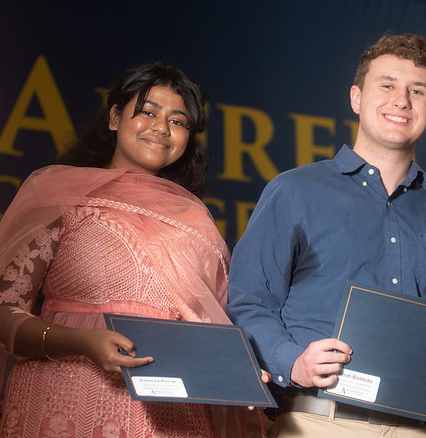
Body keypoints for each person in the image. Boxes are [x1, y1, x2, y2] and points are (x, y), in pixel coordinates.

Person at [228, 33, 426, 438]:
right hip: (319, 420)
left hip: (424, 427)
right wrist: (293, 361)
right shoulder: (294, 191)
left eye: (416, 91)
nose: (401, 101)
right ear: (356, 98)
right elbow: (248, 303)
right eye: (387, 85)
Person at [0, 63, 247, 437]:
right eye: (148, 112)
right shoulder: (61, 196)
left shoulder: (196, 220)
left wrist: (235, 367)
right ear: (115, 117)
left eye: (178, 121)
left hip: (172, 413)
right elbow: (3, 312)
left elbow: (212, 326)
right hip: (66, 396)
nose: (162, 128)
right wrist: (82, 341)